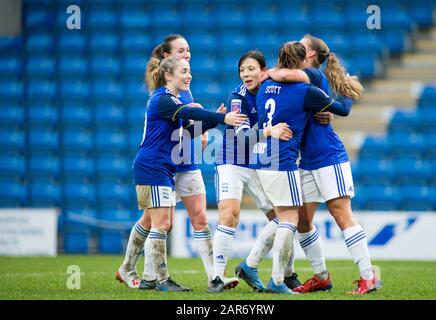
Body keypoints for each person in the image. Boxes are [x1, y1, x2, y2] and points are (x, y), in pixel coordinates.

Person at [241, 34, 381, 295]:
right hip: (306, 161)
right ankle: (321, 276)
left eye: (302, 44)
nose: (297, 43)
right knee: (302, 220)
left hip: (328, 156)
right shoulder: (296, 81)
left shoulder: (312, 77)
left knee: (341, 215)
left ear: (311, 56)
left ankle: (368, 275)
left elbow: (339, 106)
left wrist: (269, 72)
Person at [116, 35, 239, 290]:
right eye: (181, 53)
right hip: (158, 165)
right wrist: (219, 119)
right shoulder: (164, 96)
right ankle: (143, 274)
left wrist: (212, 121)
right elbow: (188, 113)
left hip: (176, 162)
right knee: (157, 222)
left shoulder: (180, 89)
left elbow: (188, 127)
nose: (187, 56)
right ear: (167, 63)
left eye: (188, 52)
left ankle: (213, 278)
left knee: (191, 220)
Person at [208, 50, 294, 293]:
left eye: (250, 68)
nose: (245, 74)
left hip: (257, 163)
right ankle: (216, 278)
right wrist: (269, 131)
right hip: (231, 161)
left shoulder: (273, 88)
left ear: (264, 70)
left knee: (283, 218)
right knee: (229, 214)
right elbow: (243, 137)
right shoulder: (238, 97)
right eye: (242, 70)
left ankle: (279, 273)